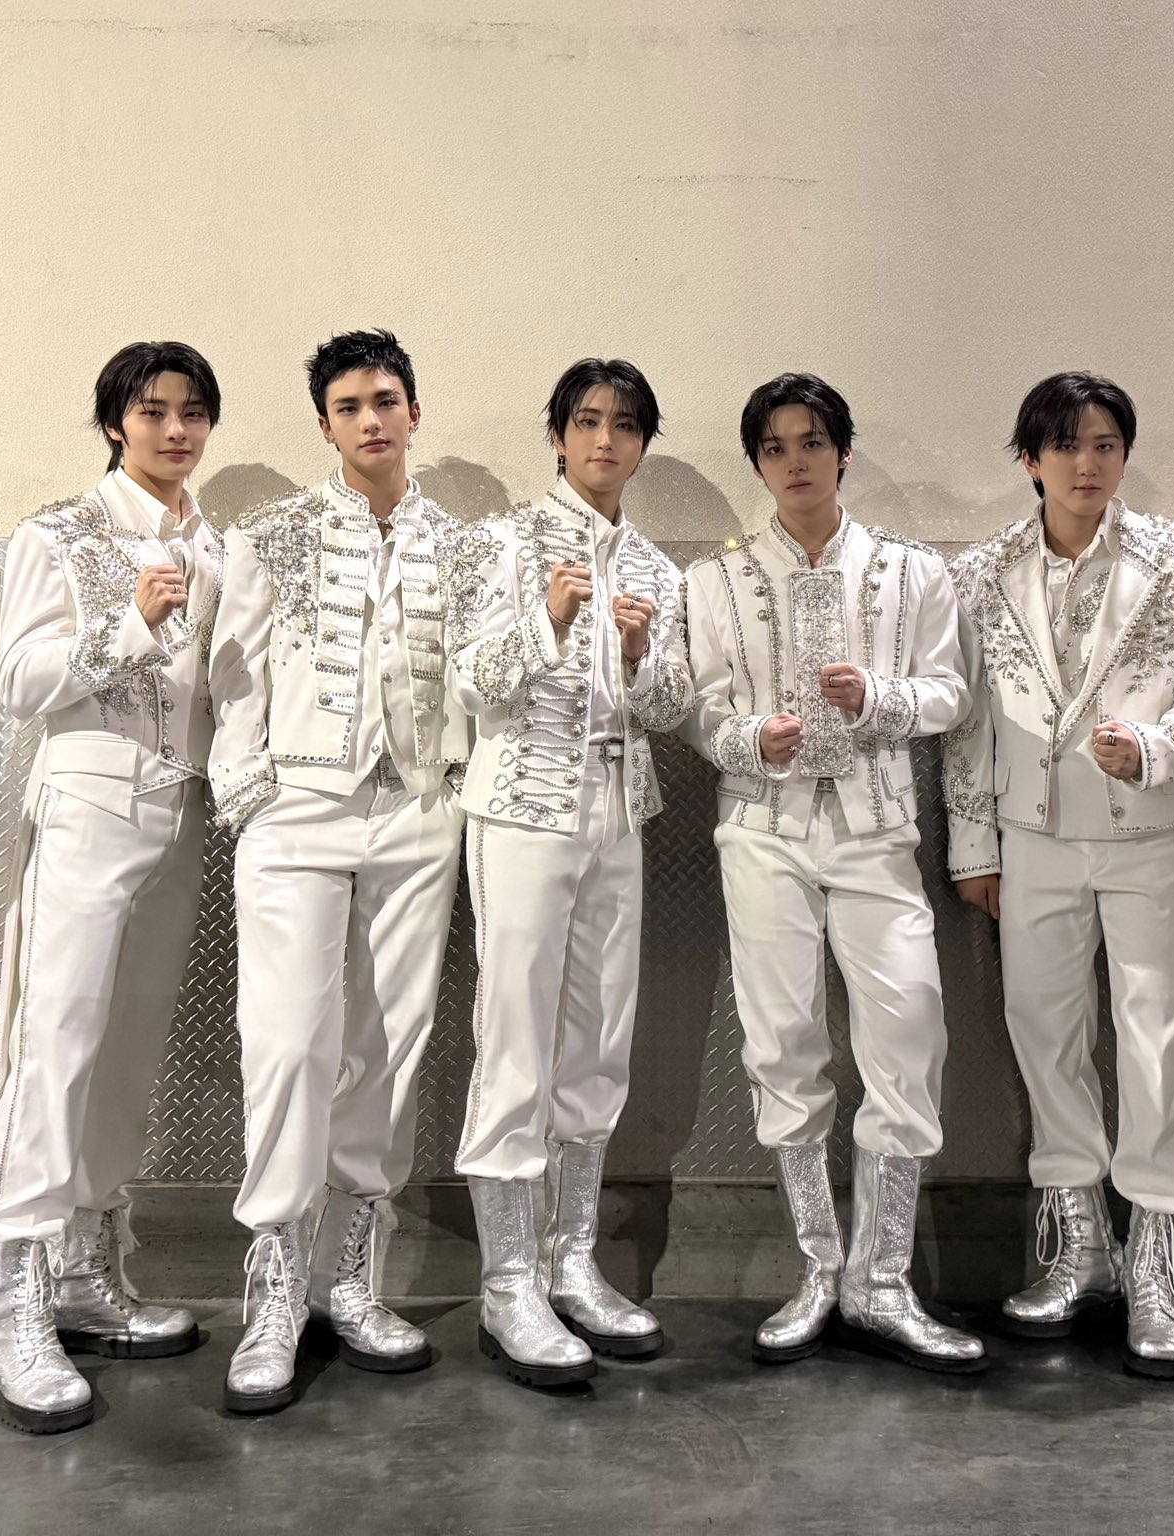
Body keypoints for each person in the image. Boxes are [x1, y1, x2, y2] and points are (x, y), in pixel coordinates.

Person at [684, 372, 982, 1373]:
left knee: (908, 1031)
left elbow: (949, 693)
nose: (795, 461)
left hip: (875, 829)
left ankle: (881, 1279)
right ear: (758, 463)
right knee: (782, 1043)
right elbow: (699, 709)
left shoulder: (909, 571)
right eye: (774, 447)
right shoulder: (716, 580)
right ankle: (818, 1268)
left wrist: (878, 699)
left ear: (841, 451)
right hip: (761, 829)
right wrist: (746, 739)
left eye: (811, 442)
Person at [945, 371, 1174, 1379]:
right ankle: (1079, 1242)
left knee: (1156, 1036)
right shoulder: (983, 571)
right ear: (1030, 459)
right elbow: (967, 719)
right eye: (1066, 445)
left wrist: (1154, 748)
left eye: (1105, 444)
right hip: (1031, 830)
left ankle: (1154, 1258)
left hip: (1148, 828)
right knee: (1042, 1029)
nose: (1086, 463)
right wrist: (974, 846)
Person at [210, 330, 471, 1412]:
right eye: (351, 405)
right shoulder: (268, 535)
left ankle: (351, 1278)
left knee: (391, 1045)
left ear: (414, 412)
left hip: (418, 811)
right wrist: (250, 800)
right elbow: (232, 679)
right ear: (325, 424)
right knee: (287, 1046)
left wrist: (454, 787)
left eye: (387, 400)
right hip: (298, 810)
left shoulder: (461, 544)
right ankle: (274, 1292)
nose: (372, 419)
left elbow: (476, 673)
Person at [0, 342, 224, 1431]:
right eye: (153, 411)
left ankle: (83, 1273)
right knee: (56, 1043)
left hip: (182, 811)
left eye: (193, 413)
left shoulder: (215, 543)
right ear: (116, 420)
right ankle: (11, 1306)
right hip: (86, 801)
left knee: (125, 1052)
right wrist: (130, 625)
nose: (175, 431)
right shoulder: (60, 533)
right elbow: (20, 683)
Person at [445, 357, 692, 1387]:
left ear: (641, 444)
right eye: (586, 422)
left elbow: (672, 707)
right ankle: (508, 1283)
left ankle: (569, 1261)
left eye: (624, 426)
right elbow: (468, 681)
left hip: (617, 813)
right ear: (557, 435)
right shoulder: (502, 544)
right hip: (521, 810)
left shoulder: (657, 570)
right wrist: (545, 621)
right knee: (514, 1039)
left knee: (598, 1043)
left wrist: (637, 658)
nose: (604, 441)